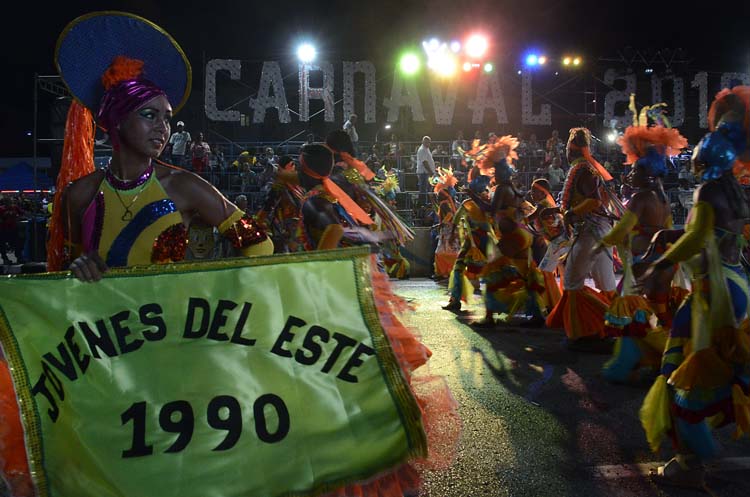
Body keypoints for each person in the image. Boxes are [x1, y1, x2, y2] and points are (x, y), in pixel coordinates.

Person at [0, 11, 274, 495]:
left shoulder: (183, 185)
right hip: (106, 355)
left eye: (168, 118)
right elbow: (57, 278)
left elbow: (258, 242)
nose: (163, 127)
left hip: (178, 347)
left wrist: (213, 292)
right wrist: (77, 273)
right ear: (115, 119)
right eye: (150, 115)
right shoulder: (78, 196)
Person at [597, 112, 688, 383]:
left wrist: (599, 244)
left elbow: (621, 230)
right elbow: (665, 229)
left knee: (633, 313)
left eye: (635, 169)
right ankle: (664, 360)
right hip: (663, 262)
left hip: (643, 263)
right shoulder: (661, 199)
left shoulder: (639, 198)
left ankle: (644, 361)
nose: (630, 172)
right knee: (659, 312)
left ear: (647, 173)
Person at [545, 127, 621, 349]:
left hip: (590, 234)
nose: (565, 152)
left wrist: (570, 214)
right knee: (606, 283)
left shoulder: (582, 169)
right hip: (597, 234)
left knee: (571, 283)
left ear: (571, 149)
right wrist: (557, 212)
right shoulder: (584, 168)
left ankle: (585, 333)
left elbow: (594, 201)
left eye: (567, 147)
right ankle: (618, 326)